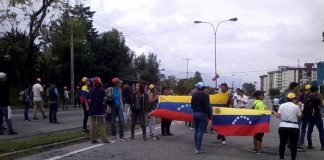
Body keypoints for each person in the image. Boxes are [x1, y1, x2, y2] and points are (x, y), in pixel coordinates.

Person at [272, 93, 302, 160]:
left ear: (287, 99)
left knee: (282, 143)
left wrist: (274, 112)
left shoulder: (282, 105)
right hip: (294, 127)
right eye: (295, 99)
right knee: (293, 145)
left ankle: (281, 158)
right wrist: (300, 107)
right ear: (293, 99)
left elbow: (278, 116)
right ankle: (293, 158)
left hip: (283, 126)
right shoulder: (296, 106)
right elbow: (300, 117)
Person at [191, 82, 211, 154]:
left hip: (195, 113)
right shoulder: (206, 96)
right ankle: (198, 149)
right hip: (202, 114)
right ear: (203, 88)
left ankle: (197, 147)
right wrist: (210, 117)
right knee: (200, 131)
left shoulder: (194, 95)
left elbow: (192, 105)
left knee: (196, 130)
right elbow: (207, 107)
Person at [89, 77, 110, 144]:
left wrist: (90, 108)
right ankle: (103, 139)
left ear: (94, 83)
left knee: (92, 125)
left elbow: (90, 101)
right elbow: (104, 99)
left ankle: (93, 139)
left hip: (92, 109)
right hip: (100, 109)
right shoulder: (102, 90)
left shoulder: (91, 90)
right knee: (102, 125)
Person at [305, 85, 324, 150]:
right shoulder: (317, 97)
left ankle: (309, 145)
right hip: (317, 116)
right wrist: (321, 98)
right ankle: (323, 146)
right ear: (315, 90)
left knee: (309, 131)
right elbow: (321, 105)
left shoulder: (307, 97)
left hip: (310, 116)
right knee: (321, 131)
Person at [252, 90, 268, 155]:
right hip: (260, 122)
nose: (264, 96)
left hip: (256, 122)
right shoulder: (260, 103)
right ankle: (259, 150)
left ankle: (255, 148)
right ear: (259, 96)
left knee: (256, 136)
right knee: (259, 137)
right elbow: (262, 113)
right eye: (262, 95)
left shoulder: (255, 102)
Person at [297, 84, 311, 149]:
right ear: (307, 89)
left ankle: (301, 142)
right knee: (298, 128)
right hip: (300, 114)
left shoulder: (310, 95)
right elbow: (298, 102)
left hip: (306, 114)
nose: (309, 90)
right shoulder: (301, 94)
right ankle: (298, 142)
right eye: (309, 89)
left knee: (303, 129)